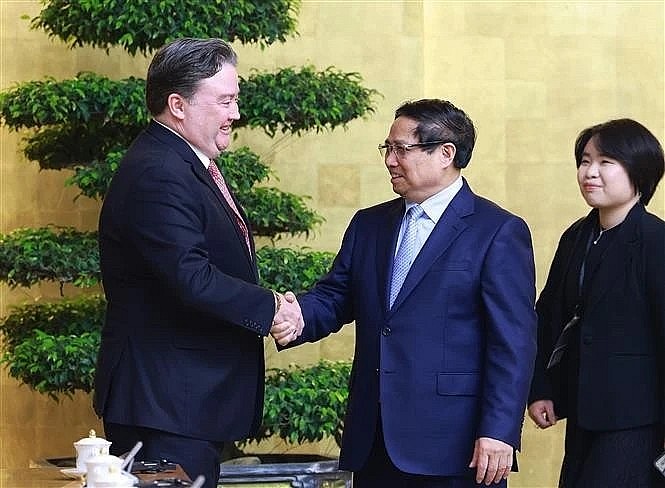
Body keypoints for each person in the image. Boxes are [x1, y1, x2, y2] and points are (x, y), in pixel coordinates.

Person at [272, 99, 538, 487]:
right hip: (374, 439)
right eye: (388, 148)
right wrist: (295, 315)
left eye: (401, 149)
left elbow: (513, 342)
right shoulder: (369, 224)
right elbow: (335, 296)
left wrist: (499, 431)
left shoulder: (496, 231)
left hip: (456, 445)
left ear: (446, 153)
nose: (390, 160)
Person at [93, 37, 302, 488]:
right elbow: (190, 276)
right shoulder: (159, 171)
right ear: (178, 105)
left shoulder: (181, 161)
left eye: (236, 99)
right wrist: (272, 309)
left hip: (182, 403)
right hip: (165, 406)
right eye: (225, 100)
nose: (236, 114)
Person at [527, 118, 665, 487]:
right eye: (585, 161)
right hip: (584, 412)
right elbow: (549, 316)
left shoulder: (655, 241)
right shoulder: (576, 236)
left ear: (639, 170)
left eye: (606, 162)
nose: (590, 172)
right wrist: (541, 388)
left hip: (637, 417)